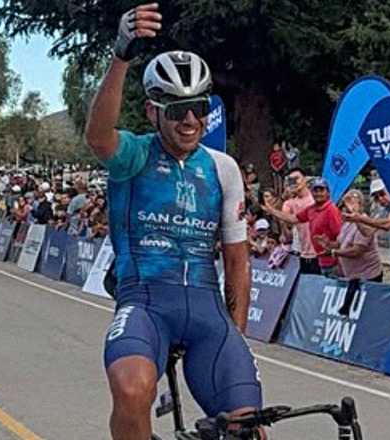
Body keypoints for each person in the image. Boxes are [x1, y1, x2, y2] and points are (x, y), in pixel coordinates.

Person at [83, 6, 261, 439]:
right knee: (132, 389)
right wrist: (121, 56)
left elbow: (237, 261)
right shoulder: (134, 156)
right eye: (178, 109)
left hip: (207, 314)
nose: (190, 121)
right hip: (145, 304)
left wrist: (235, 338)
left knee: (248, 427)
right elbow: (98, 136)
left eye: (198, 108)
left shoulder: (223, 169)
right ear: (152, 112)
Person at [264, 178, 343, 278]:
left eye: (321, 190)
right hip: (319, 260)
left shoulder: (331, 210)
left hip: (333, 263)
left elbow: (341, 237)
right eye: (315, 190)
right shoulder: (311, 209)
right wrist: (272, 211)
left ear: (328, 192)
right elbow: (293, 219)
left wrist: (330, 246)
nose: (318, 193)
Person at [264, 168, 320, 274]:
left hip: (320, 254)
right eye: (291, 180)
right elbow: (287, 235)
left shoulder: (316, 198)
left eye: (297, 179)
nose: (294, 182)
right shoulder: (290, 203)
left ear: (305, 179)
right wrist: (276, 214)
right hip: (302, 253)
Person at [333, 189, 382, 283]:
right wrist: (328, 244)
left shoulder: (364, 221)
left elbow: (356, 251)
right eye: (346, 203)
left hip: (367, 276)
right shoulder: (347, 223)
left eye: (353, 203)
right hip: (351, 275)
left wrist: (334, 252)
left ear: (360, 205)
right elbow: (340, 242)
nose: (348, 207)